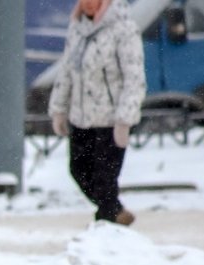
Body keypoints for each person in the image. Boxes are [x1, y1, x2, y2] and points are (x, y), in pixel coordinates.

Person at [49, 0, 145, 226]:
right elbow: (66, 71)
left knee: (105, 179)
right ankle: (114, 212)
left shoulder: (124, 29)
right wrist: (59, 110)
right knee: (79, 170)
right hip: (81, 118)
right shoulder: (77, 28)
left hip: (110, 120)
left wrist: (125, 120)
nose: (89, 5)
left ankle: (106, 228)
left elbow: (134, 78)